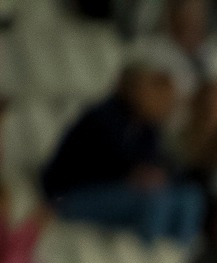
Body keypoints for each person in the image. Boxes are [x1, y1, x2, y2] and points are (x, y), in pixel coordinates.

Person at [39, 59, 203, 244]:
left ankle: (175, 254)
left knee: (190, 197)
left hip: (116, 194)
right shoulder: (102, 117)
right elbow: (102, 168)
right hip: (71, 193)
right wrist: (133, 176)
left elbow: (155, 165)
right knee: (155, 201)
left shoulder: (147, 129)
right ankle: (147, 253)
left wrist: (154, 176)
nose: (165, 105)